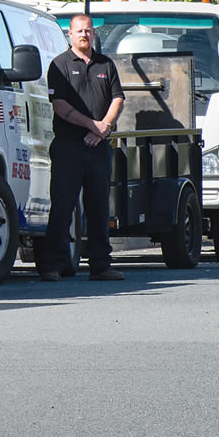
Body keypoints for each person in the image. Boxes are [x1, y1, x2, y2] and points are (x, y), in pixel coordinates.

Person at [42, 14, 125, 282]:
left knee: (99, 207)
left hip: (99, 147)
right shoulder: (59, 65)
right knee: (63, 206)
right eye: (79, 31)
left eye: (88, 31)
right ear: (70, 34)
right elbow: (61, 107)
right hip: (69, 146)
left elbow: (117, 99)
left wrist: (105, 127)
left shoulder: (106, 64)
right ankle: (51, 265)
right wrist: (93, 125)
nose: (84, 35)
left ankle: (100, 266)